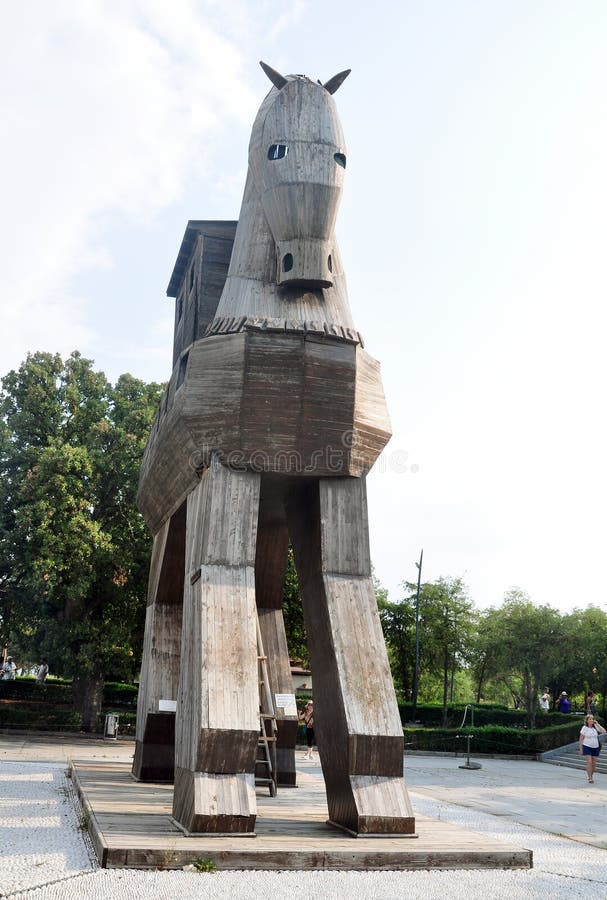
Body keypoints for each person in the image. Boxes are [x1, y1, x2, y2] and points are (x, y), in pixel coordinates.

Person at [579, 713, 606, 783]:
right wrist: (581, 749)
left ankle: (590, 775)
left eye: (592, 719)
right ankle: (590, 778)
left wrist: (597, 724)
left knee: (594, 764)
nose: (591, 720)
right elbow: (581, 739)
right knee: (589, 762)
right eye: (590, 719)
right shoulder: (584, 728)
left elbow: (604, 731)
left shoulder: (595, 728)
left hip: (595, 747)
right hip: (587, 747)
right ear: (587, 721)